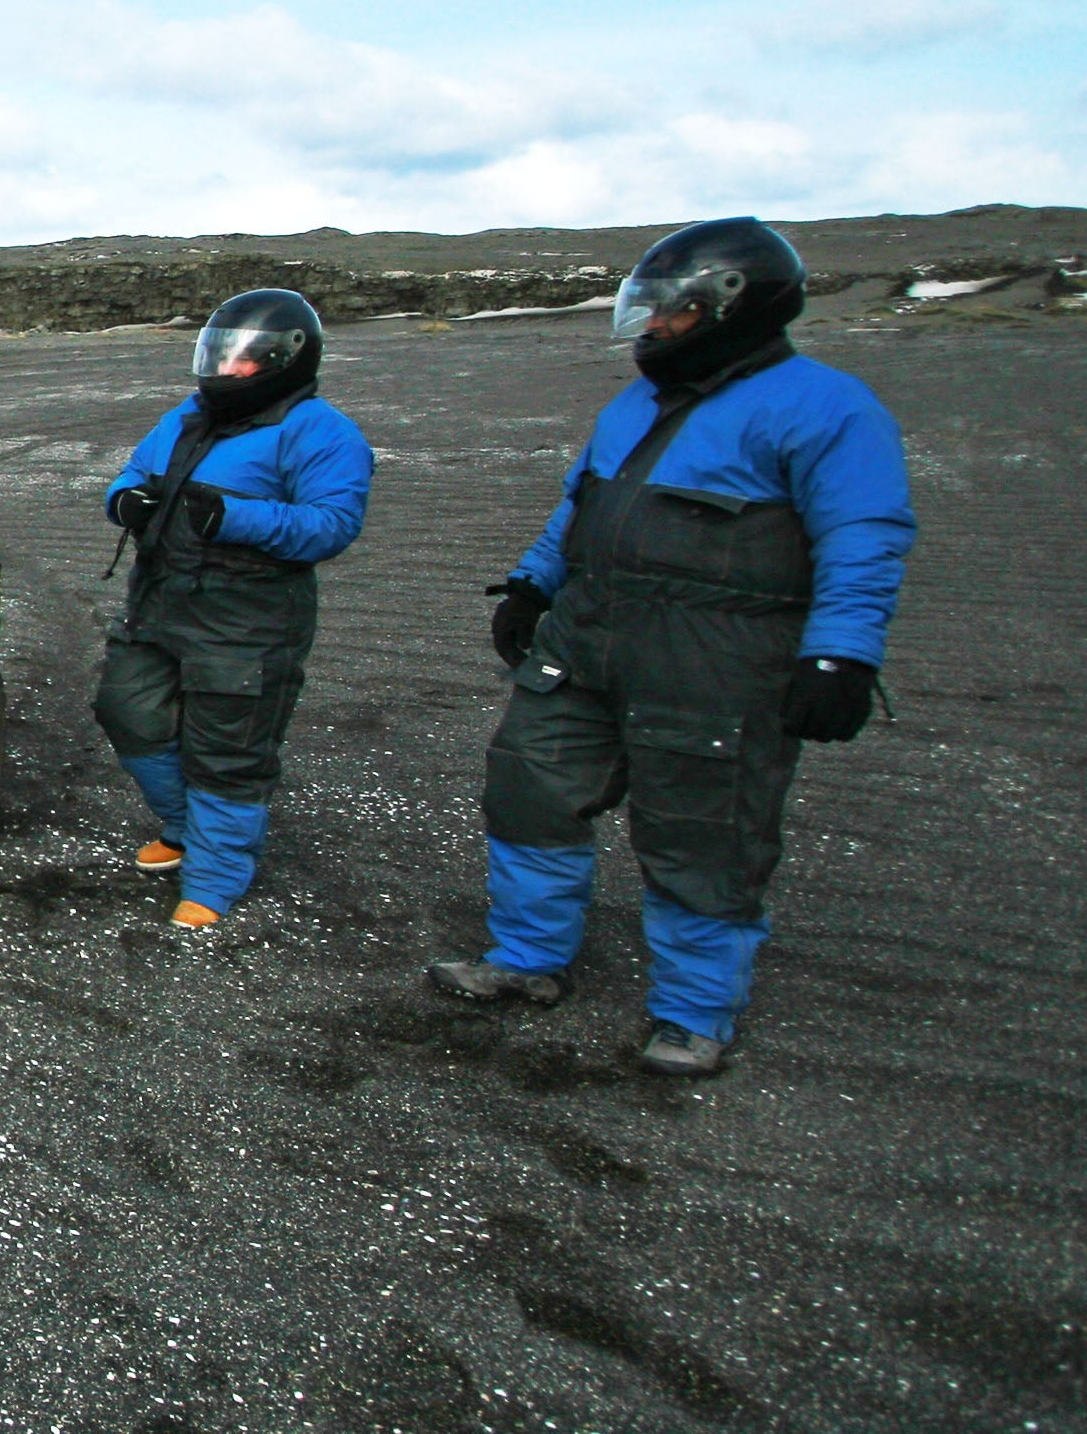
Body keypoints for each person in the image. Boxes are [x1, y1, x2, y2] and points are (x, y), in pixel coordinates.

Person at [429, 217, 911, 1076]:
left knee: (703, 826)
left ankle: (693, 1012)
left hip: (717, 655)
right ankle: (528, 957)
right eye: (646, 310)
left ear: (732, 307)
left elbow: (864, 536)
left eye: (668, 313)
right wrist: (533, 581)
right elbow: (583, 503)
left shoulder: (827, 408)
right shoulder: (637, 402)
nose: (650, 328)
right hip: (589, 632)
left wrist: (841, 654)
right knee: (530, 783)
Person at [92, 289, 374, 929]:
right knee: (126, 709)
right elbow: (132, 473)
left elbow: (333, 524)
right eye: (223, 355)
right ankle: (188, 827)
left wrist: (236, 516)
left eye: (247, 359)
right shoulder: (187, 417)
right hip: (161, 597)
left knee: (229, 748)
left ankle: (214, 881)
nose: (230, 369)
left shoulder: (321, 430)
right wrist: (124, 502)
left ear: (287, 359)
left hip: (251, 614)